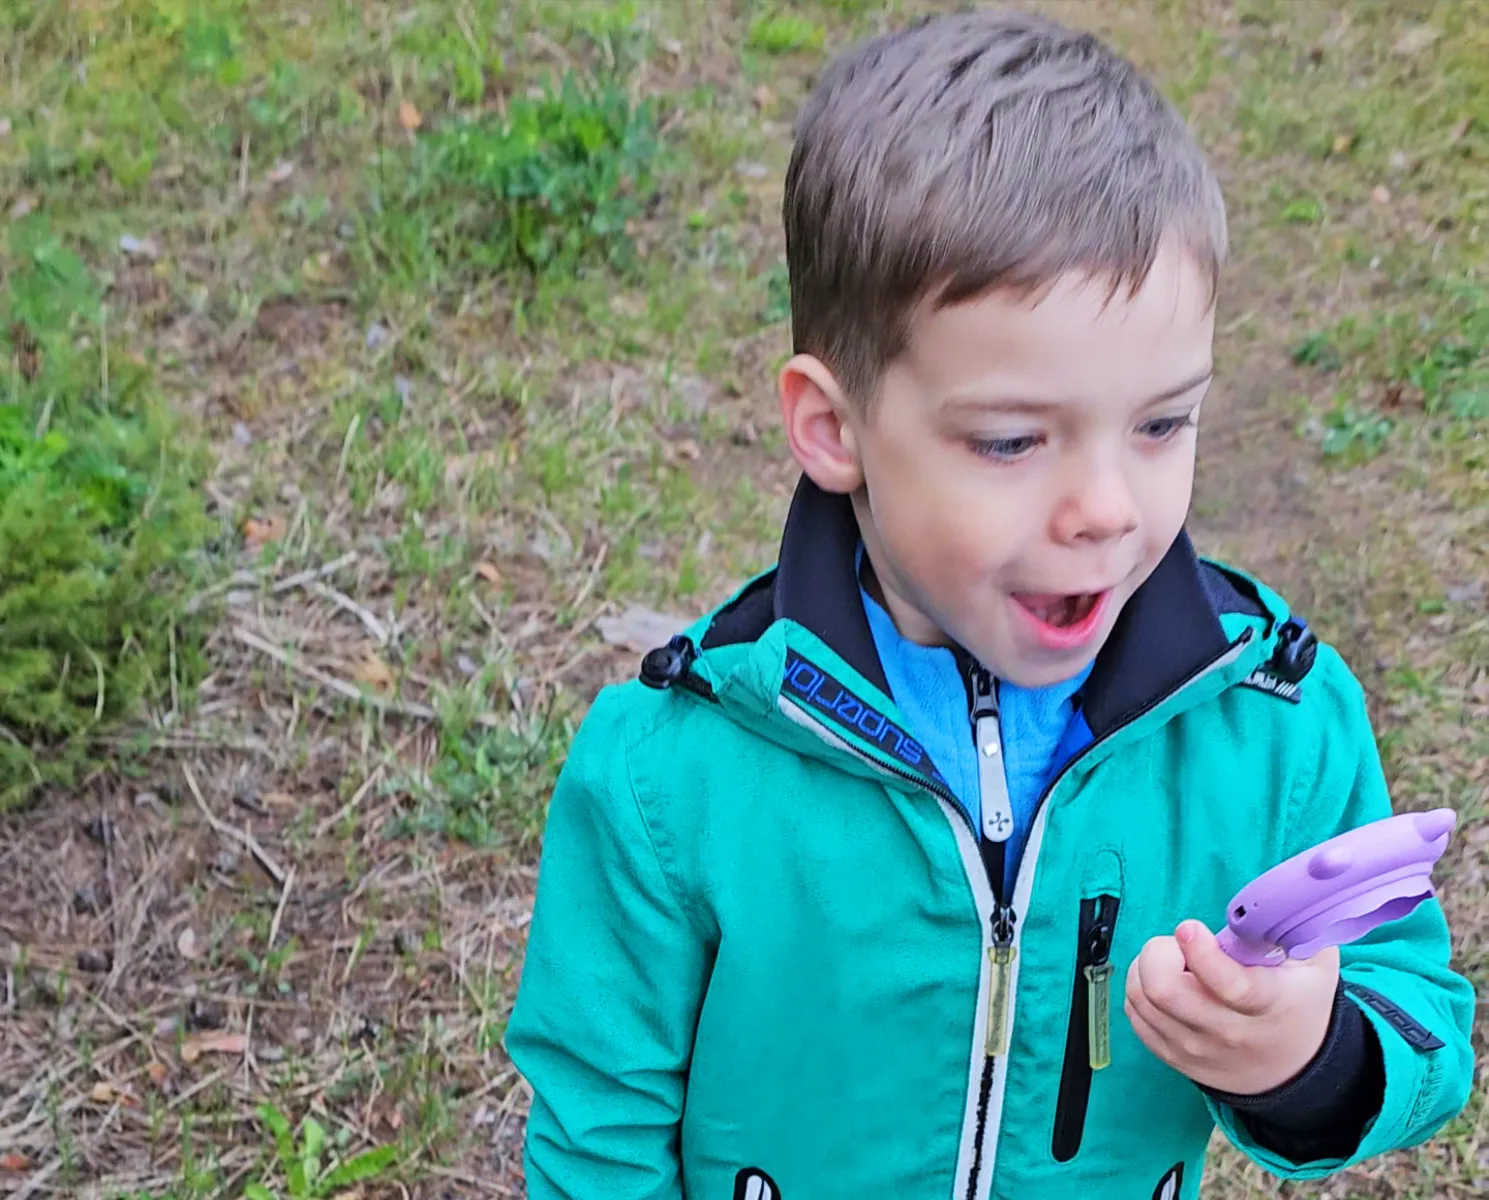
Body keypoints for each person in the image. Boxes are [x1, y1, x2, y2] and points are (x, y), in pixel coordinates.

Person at [504, 10, 1475, 1198]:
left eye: (1163, 422)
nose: (1106, 509)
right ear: (834, 427)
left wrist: (1308, 1055)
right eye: (1013, 440)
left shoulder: (1273, 728)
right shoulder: (673, 777)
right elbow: (595, 1132)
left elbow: (1423, 1023)